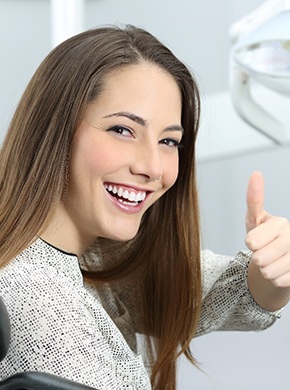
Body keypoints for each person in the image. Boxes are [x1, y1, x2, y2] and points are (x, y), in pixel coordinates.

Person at [0, 25, 290, 390]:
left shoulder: (92, 257)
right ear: (55, 128)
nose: (153, 167)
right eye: (122, 130)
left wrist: (271, 272)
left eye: (169, 140)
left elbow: (184, 288)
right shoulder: (36, 297)